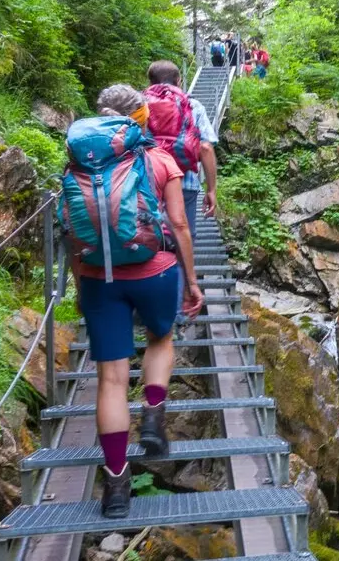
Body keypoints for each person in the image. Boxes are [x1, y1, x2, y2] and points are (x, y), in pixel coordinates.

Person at [65, 84, 204, 518]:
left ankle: (117, 488)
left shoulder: (79, 165)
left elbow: (71, 230)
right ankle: (153, 418)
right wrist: (192, 281)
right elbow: (179, 224)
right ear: (140, 118)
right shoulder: (159, 159)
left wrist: (79, 284)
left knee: (111, 379)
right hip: (156, 271)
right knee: (161, 339)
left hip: (97, 277)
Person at [145, 61, 219, 283]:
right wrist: (212, 190)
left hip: (148, 183)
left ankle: (148, 299)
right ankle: (179, 303)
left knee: (148, 235)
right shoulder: (192, 105)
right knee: (183, 235)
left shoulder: (139, 105)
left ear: (150, 82)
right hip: (185, 182)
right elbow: (205, 147)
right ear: (179, 81)